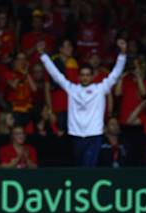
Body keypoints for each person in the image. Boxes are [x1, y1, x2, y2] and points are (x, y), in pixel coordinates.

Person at [38, 39, 127, 167]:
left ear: (92, 77)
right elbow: (56, 75)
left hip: (94, 136)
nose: (85, 77)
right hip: (76, 136)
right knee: (79, 168)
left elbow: (115, 74)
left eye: (88, 75)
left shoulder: (100, 88)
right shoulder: (72, 89)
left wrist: (123, 54)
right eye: (82, 75)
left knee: (88, 169)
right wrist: (43, 56)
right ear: (79, 77)